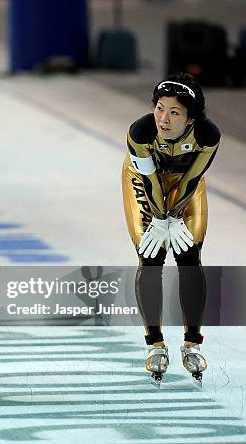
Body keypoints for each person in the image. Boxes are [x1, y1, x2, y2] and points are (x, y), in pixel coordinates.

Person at [121, 73, 220, 386]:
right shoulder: (140, 132)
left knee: (189, 255)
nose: (163, 118)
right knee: (150, 256)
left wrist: (174, 213)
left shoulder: (208, 135)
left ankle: (192, 342)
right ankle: (155, 343)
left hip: (184, 186)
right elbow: (149, 181)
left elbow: (192, 179)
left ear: (191, 119)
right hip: (143, 183)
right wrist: (161, 218)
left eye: (174, 112)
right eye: (159, 108)